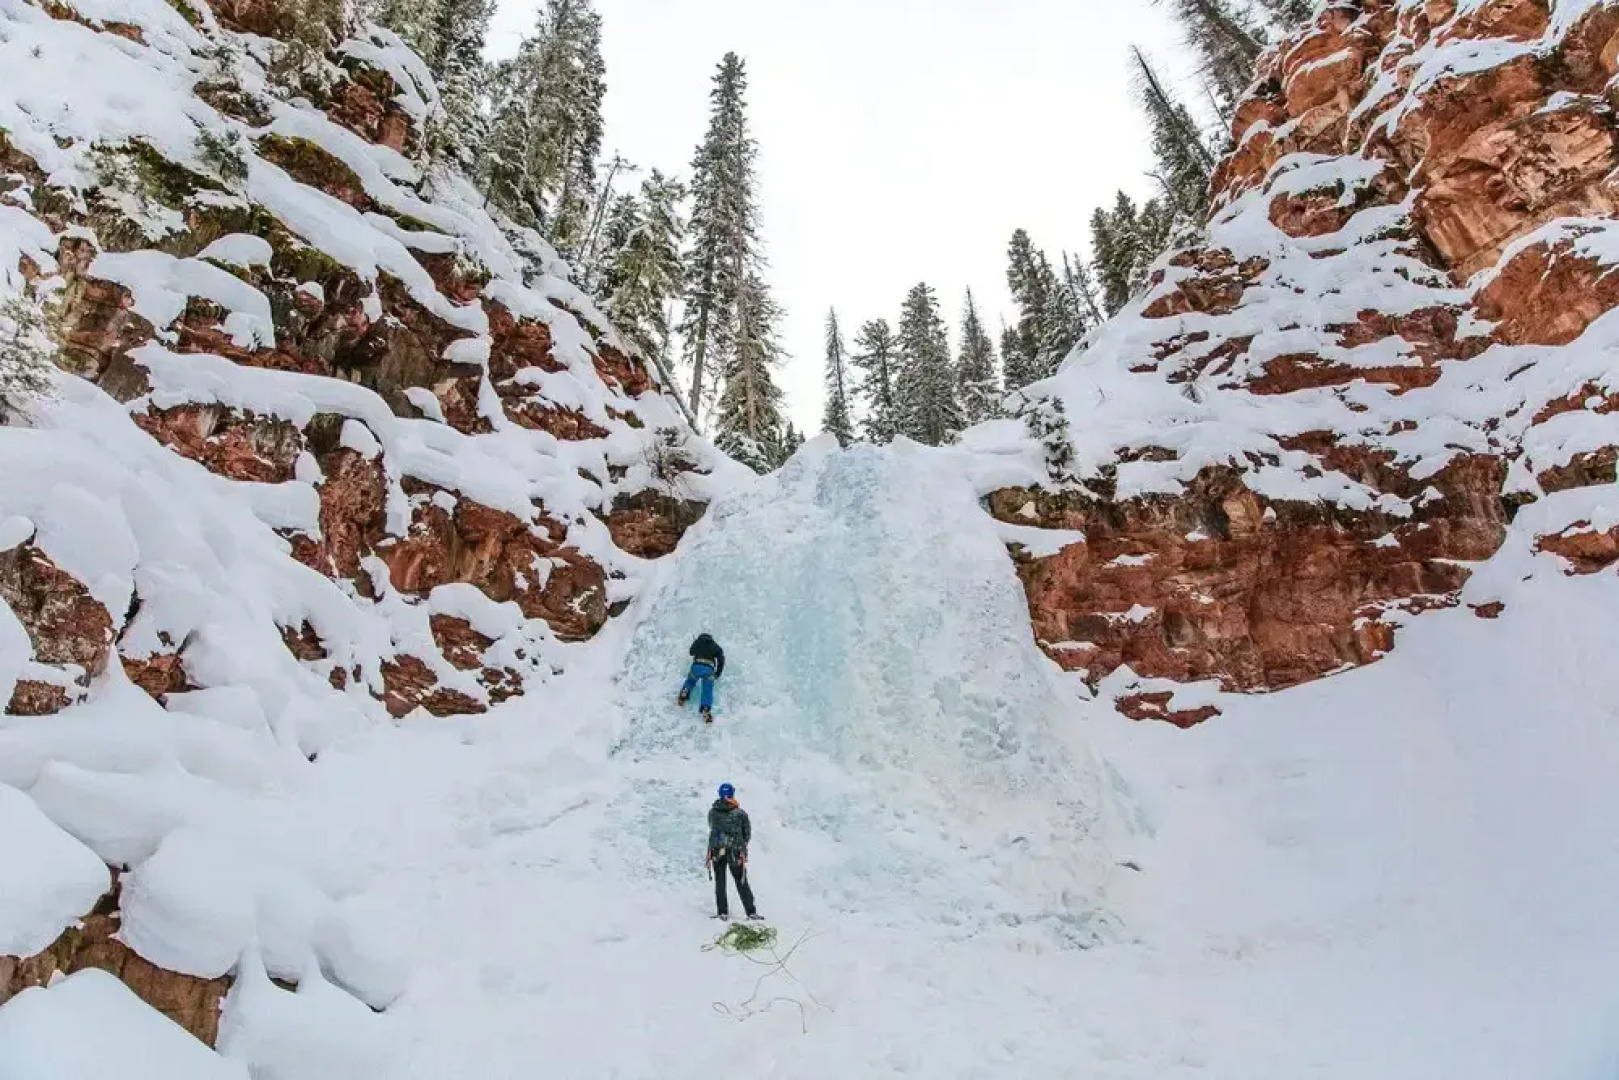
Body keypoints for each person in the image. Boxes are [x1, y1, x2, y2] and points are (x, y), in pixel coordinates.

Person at [706, 782, 761, 921]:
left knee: (720, 881)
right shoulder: (740, 814)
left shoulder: (713, 812)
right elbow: (746, 833)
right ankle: (751, 912)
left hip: (717, 850)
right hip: (735, 852)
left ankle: (722, 912)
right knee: (741, 881)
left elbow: (711, 826)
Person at [677, 633, 725, 723]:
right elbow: (721, 659)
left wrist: (696, 644)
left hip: (696, 666)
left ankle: (685, 692)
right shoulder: (715, 646)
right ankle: (706, 709)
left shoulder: (697, 642)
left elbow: (691, 652)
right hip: (708, 669)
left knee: (690, 681)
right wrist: (718, 673)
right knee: (707, 690)